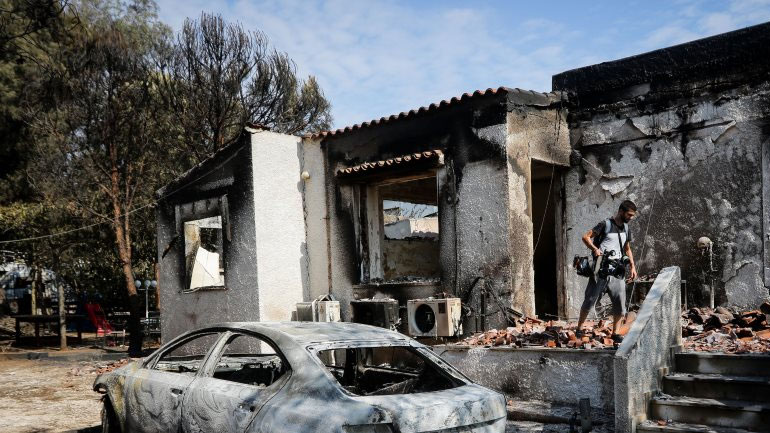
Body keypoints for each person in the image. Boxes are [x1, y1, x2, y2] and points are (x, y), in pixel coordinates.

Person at [577, 200, 638, 340]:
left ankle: (615, 334)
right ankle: (579, 329)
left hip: (617, 271)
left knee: (620, 305)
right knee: (589, 300)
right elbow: (585, 237)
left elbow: (627, 248)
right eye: (629, 215)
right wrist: (595, 249)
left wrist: (632, 266)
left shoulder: (626, 228)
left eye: (632, 215)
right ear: (621, 211)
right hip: (601, 271)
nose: (631, 218)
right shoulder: (605, 224)